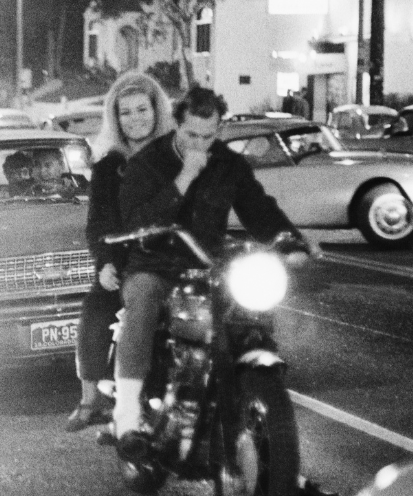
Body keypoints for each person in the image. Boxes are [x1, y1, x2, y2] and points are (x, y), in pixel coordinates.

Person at [111, 86, 322, 459]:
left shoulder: (229, 164)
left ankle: (257, 408)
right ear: (176, 124)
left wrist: (290, 243)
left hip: (208, 262)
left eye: (208, 136)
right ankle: (126, 417)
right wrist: (185, 178)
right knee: (142, 300)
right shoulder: (147, 163)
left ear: (219, 129)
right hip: (156, 262)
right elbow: (136, 219)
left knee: (250, 314)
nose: (199, 143)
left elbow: (258, 209)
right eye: (191, 134)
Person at [64, 71, 174, 432]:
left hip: (182, 257)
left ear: (157, 110)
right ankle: (90, 401)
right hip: (130, 261)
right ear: (116, 118)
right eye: (125, 112)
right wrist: (106, 262)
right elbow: (99, 222)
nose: (135, 118)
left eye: (142, 109)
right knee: (96, 308)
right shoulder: (109, 166)